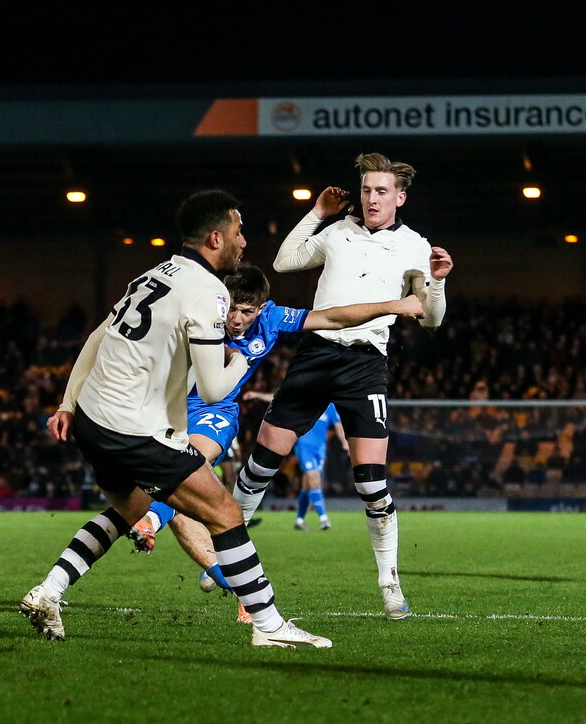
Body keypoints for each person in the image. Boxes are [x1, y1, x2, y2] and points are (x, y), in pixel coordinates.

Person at [21, 189, 332, 648]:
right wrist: (248, 355)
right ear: (215, 238)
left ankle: (49, 591)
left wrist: (68, 403)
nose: (244, 241)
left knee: (129, 511)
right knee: (226, 512)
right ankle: (270, 627)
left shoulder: (152, 275)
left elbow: (96, 338)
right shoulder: (207, 292)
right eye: (238, 231)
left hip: (91, 419)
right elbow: (214, 389)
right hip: (134, 428)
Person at [126, 265, 424, 620]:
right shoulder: (202, 313)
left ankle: (157, 527)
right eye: (231, 308)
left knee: (188, 471)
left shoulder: (271, 318)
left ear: (260, 308)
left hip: (213, 411)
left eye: (246, 311)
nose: (236, 319)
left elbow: (331, 317)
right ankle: (221, 568)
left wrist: (393, 306)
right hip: (164, 408)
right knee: (135, 498)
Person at [232, 152, 454, 621]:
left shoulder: (415, 245)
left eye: (381, 191)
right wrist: (318, 212)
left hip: (365, 363)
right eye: (367, 189)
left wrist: (436, 282)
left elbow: (431, 319)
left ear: (400, 197)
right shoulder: (338, 231)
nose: (372, 198)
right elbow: (284, 261)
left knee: (371, 483)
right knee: (262, 463)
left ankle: (389, 582)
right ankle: (224, 552)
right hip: (316, 352)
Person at [288, 402, 347, 531]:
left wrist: (344, 442)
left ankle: (299, 520)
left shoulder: (330, 406)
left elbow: (338, 424)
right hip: (304, 446)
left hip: (320, 449)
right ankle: (323, 518)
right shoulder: (307, 401)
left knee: (307, 484)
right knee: (314, 478)